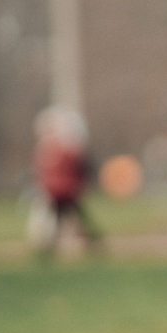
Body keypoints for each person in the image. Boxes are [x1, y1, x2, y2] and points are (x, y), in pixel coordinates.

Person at [31, 107, 102, 256]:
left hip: (60, 190)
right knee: (68, 217)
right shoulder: (64, 147)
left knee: (65, 217)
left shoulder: (59, 148)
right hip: (63, 190)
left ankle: (49, 246)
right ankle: (91, 240)